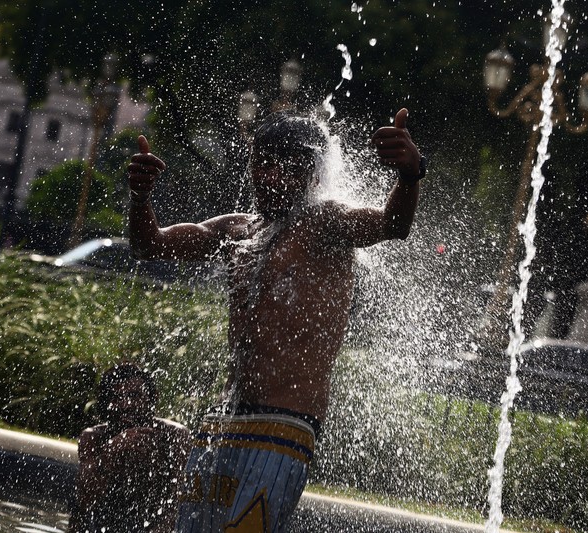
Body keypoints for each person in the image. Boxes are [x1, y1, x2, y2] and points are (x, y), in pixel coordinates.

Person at [127, 108, 424, 532]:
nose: (269, 176)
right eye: (262, 164)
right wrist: (140, 198)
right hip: (224, 421)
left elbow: (393, 224)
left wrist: (410, 175)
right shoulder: (238, 231)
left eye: (285, 168)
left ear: (313, 175)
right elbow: (150, 245)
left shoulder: (326, 223)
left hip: (284, 424)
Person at [69, 363, 190, 533]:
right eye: (116, 397)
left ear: (152, 398)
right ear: (106, 402)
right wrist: (111, 452)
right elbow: (84, 501)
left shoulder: (173, 436)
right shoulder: (95, 438)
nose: (126, 404)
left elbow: (180, 504)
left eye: (134, 395)